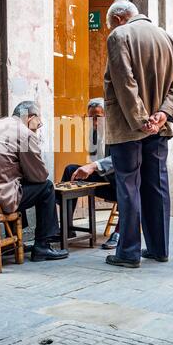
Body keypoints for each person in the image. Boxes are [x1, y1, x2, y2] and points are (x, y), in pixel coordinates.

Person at [104, 0, 173, 268]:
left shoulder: (119, 35)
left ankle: (128, 252)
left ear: (118, 19)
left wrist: (141, 120)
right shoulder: (168, 39)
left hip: (129, 127)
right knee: (157, 185)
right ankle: (159, 248)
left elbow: (124, 82)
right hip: (159, 126)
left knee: (129, 186)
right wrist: (162, 114)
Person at [0, 101, 68, 262]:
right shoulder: (25, 134)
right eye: (38, 124)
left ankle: (13, 242)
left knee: (17, 181)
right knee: (46, 187)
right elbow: (39, 176)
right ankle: (42, 246)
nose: (38, 128)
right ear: (31, 117)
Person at [60, 98, 120, 249]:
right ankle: (67, 228)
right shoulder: (94, 134)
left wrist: (94, 166)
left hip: (120, 183)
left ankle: (121, 232)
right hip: (105, 181)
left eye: (98, 117)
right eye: (90, 117)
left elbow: (120, 160)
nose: (94, 121)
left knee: (128, 182)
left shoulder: (117, 132)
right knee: (70, 170)